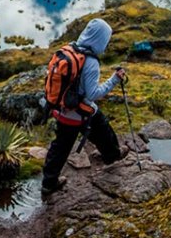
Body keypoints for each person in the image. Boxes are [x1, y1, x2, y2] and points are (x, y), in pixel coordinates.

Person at [42, 18, 125, 196]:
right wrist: (114, 80)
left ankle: (48, 183)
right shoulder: (91, 62)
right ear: (100, 39)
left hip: (62, 110)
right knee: (104, 131)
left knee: (60, 148)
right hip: (80, 113)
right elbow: (93, 94)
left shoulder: (69, 49)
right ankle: (113, 159)